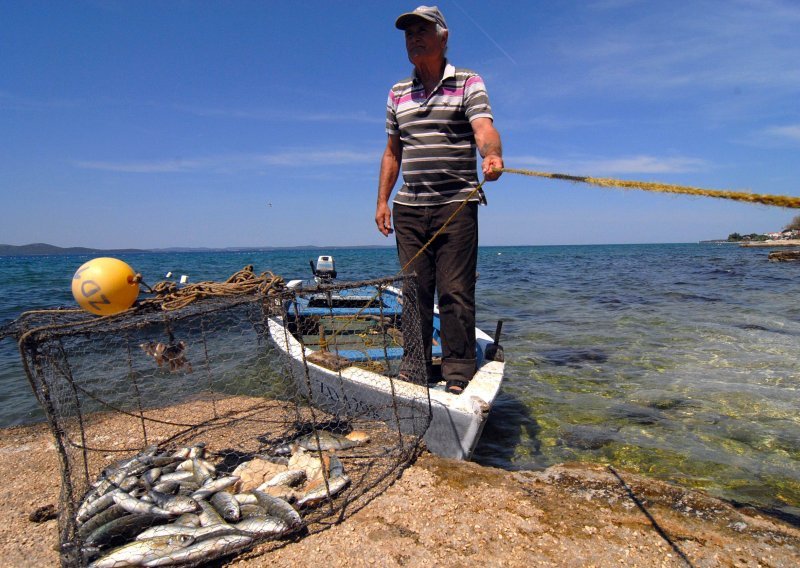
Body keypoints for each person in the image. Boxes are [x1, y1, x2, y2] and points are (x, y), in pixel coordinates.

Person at [375, 5, 504, 395]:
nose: (413, 37)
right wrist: (382, 202)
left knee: (455, 290)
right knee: (414, 292)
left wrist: (491, 155)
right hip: (410, 209)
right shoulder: (397, 92)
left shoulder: (467, 82)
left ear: (443, 37)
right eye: (408, 32)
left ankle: (459, 372)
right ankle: (414, 368)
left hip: (456, 206)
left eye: (422, 30)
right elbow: (392, 152)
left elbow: (484, 128)